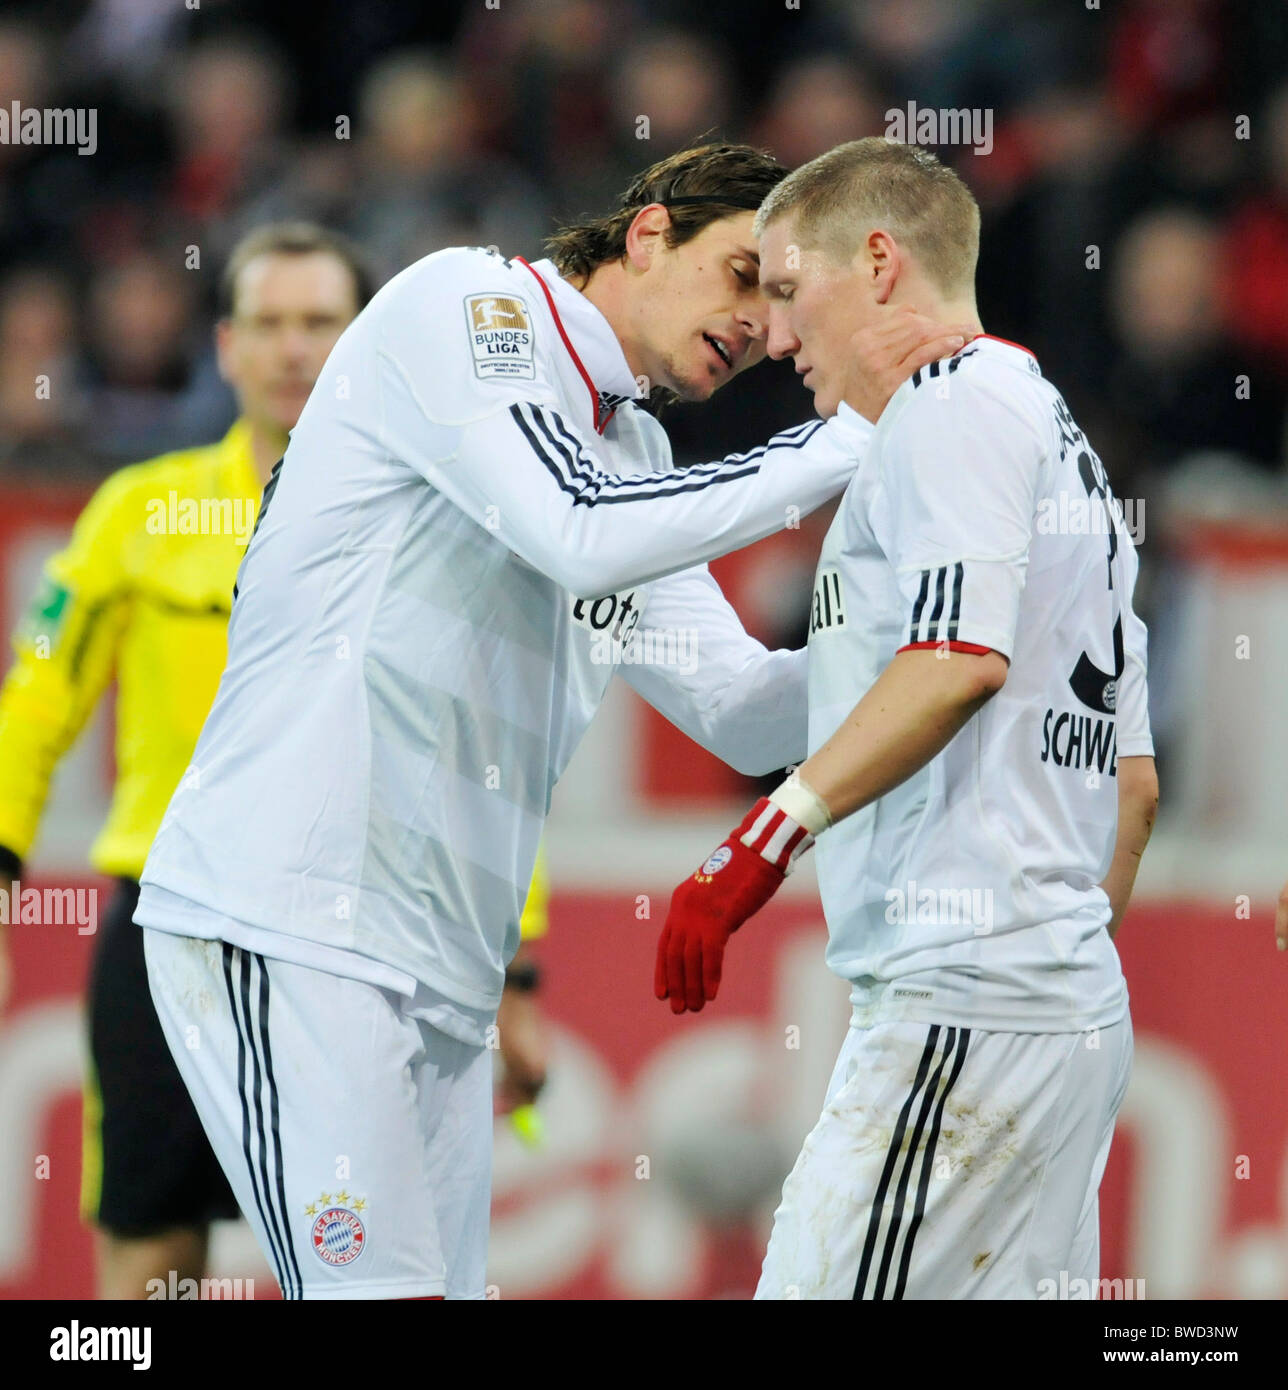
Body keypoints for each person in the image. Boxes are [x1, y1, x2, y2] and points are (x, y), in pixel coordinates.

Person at [135, 141, 965, 1300]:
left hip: (441, 968)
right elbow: (575, 529)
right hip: (291, 917)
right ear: (646, 232)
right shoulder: (469, 308)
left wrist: (939, 640)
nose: (764, 331)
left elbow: (738, 708)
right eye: (743, 277)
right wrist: (845, 436)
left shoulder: (629, 449)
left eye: (782, 304)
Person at [653, 138, 1160, 1300]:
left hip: (964, 1006)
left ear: (878, 262)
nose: (777, 337)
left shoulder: (947, 410)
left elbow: (953, 665)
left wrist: (757, 844)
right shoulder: (1058, 441)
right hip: (1051, 1009)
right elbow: (1130, 787)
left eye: (786, 290)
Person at [0, 223, 373, 1296]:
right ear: (226, 345)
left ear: (361, 344)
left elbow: (486, 746)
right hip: (167, 924)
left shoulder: (414, 523)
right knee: (154, 1249)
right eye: (269, 323)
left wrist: (519, 956)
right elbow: (36, 699)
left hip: (346, 932)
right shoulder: (142, 512)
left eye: (320, 323)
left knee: (359, 1248)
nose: (294, 348)